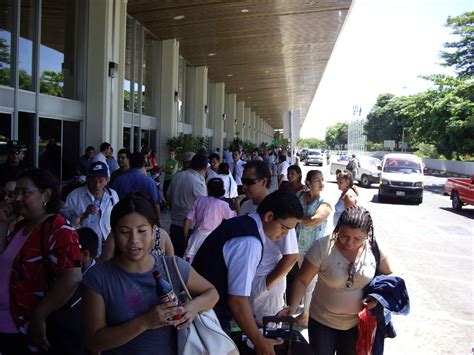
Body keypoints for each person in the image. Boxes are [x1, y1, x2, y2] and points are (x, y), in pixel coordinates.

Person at [82, 195, 219, 354]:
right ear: (113, 234)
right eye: (125, 232)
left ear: (154, 231)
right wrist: (145, 322)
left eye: (142, 231)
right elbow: (94, 341)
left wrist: (193, 307)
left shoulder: (173, 266)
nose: (134, 240)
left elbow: (212, 293)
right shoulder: (97, 278)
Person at [192, 190, 303, 355]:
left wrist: (250, 319)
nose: (284, 235)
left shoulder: (243, 224)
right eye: (284, 228)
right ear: (269, 216)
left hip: (203, 308)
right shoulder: (249, 242)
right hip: (207, 317)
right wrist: (261, 343)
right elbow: (236, 300)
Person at [278, 206, 394, 355]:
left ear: (367, 233)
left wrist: (376, 298)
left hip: (357, 324)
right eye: (344, 235)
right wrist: (293, 307)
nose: (350, 243)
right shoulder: (323, 247)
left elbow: (389, 276)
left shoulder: (374, 249)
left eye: (357, 238)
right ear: (338, 228)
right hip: (322, 322)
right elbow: (302, 280)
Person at [0, 169, 82, 354]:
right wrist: (3, 223)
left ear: (46, 195)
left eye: (25, 193)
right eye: (16, 193)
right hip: (6, 322)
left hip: (26, 329)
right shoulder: (22, 226)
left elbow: (72, 277)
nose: (17, 198)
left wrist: (39, 316)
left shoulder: (59, 228)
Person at [237, 161, 299, 324]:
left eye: (249, 182)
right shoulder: (245, 206)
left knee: (266, 335)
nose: (244, 186)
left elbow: (291, 256)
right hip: (244, 282)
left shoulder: (281, 209)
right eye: (243, 181)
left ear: (264, 181)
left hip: (266, 290)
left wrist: (265, 284)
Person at [295, 169, 332, 326]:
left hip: (314, 248)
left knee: (310, 282)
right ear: (308, 183)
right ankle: (304, 309)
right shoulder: (301, 196)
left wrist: (296, 218)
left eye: (322, 180)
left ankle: (306, 316)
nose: (321, 183)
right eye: (318, 180)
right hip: (298, 246)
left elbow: (315, 220)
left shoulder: (324, 201)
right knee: (303, 280)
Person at [65, 161, 119, 257]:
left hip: (108, 247)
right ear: (87, 179)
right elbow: (66, 225)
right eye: (93, 180)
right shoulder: (75, 196)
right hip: (84, 249)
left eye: (101, 181)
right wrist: (84, 215)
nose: (97, 185)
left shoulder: (112, 195)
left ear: (107, 180)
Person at [183, 178, 236, 263]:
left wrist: (186, 238)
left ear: (207, 189)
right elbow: (233, 221)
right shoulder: (224, 205)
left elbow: (187, 220)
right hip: (213, 239)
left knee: (189, 265)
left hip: (196, 237)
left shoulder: (200, 200)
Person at [166, 154, 207, 257]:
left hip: (174, 225)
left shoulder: (177, 176)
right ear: (204, 168)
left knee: (175, 259)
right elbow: (204, 206)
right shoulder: (197, 182)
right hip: (189, 228)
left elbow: (168, 196)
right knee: (188, 262)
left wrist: (173, 209)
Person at [111, 152, 162, 221]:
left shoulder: (118, 180)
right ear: (143, 164)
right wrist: (158, 222)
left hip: (122, 219)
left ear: (129, 162)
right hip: (144, 220)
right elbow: (156, 204)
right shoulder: (149, 181)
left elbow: (111, 202)